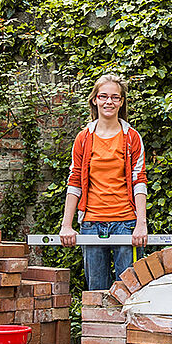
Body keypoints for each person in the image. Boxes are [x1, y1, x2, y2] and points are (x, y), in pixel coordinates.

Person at [59, 74, 148, 291]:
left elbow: (139, 180)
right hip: (91, 223)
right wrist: (66, 226)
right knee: (96, 293)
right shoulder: (84, 137)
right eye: (103, 96)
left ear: (121, 102)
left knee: (131, 292)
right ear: (94, 100)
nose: (109, 102)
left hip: (126, 223)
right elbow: (75, 182)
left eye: (115, 97)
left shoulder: (131, 137)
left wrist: (141, 224)